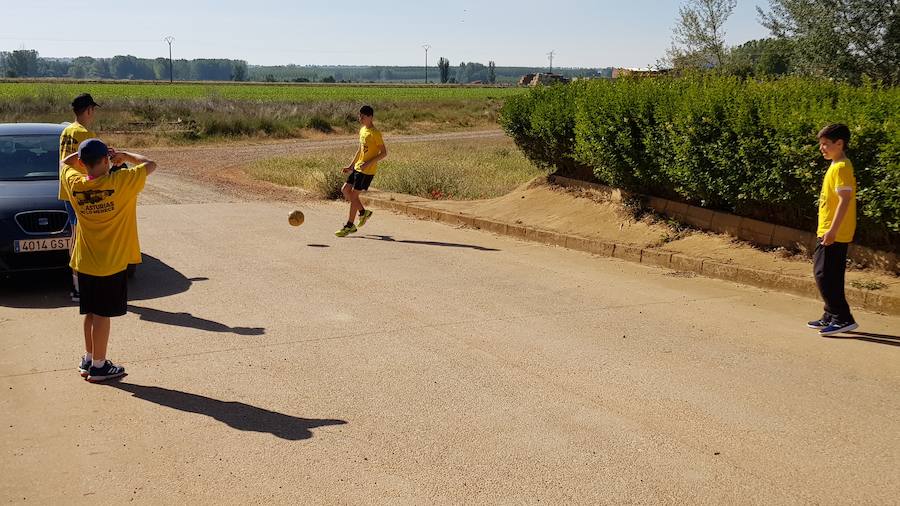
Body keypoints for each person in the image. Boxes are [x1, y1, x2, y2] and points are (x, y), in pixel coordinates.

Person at [61, 139, 157, 382]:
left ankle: (89, 358)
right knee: (103, 314)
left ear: (83, 164)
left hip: (84, 261)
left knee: (90, 312)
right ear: (106, 160)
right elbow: (150, 164)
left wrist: (80, 154)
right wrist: (124, 155)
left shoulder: (75, 183)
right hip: (110, 262)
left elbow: (64, 163)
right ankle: (100, 366)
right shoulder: (122, 182)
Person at [807, 124, 859, 337]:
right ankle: (831, 314)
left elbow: (844, 200)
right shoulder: (836, 165)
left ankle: (842, 318)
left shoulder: (841, 167)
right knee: (829, 274)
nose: (822, 148)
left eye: (826, 144)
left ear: (840, 144)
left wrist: (832, 230)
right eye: (821, 144)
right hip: (830, 230)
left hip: (834, 232)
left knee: (823, 275)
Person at [59, 93, 101, 302]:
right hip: (81, 192)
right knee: (80, 239)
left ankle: (77, 283)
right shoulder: (86, 134)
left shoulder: (66, 130)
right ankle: (78, 287)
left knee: (73, 235)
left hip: (67, 188)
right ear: (88, 110)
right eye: (93, 109)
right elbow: (90, 165)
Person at [335, 105, 387, 237]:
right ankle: (363, 213)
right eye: (359, 116)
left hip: (367, 171)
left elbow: (384, 153)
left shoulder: (375, 133)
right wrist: (351, 166)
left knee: (353, 196)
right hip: (358, 167)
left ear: (371, 117)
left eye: (363, 116)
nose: (360, 118)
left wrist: (368, 163)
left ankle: (349, 225)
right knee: (345, 190)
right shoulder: (363, 130)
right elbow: (360, 150)